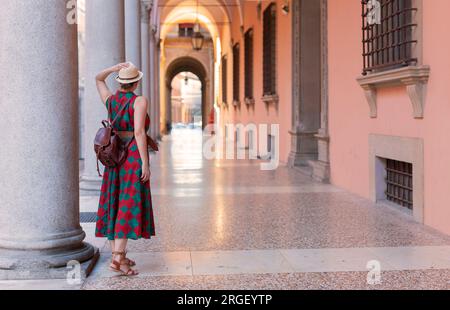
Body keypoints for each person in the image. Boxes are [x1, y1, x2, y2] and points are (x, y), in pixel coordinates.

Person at [94, 62, 156, 276]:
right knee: (127, 205)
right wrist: (145, 162)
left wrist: (112, 69)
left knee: (115, 202)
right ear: (137, 82)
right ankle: (118, 258)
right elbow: (139, 132)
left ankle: (117, 256)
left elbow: (98, 79)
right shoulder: (139, 101)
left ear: (120, 83)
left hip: (114, 157)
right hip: (130, 157)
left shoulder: (111, 101)